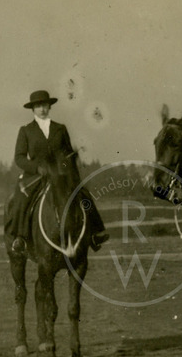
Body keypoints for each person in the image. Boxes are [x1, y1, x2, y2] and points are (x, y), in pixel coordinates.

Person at [7, 89, 109, 255]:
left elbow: (67, 152)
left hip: (60, 175)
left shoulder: (60, 129)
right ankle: (21, 238)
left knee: (83, 193)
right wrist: (36, 168)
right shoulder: (26, 130)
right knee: (20, 196)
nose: (42, 109)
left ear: (49, 106)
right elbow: (19, 158)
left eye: (45, 105)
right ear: (33, 109)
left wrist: (70, 160)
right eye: (38, 106)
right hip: (36, 176)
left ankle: (95, 232)